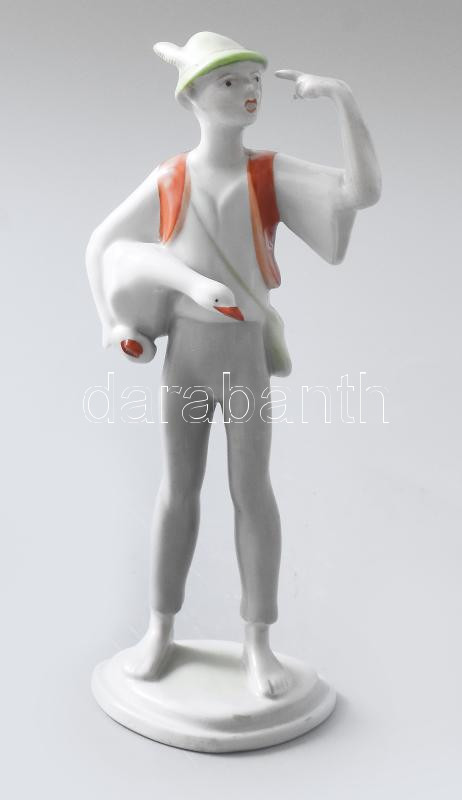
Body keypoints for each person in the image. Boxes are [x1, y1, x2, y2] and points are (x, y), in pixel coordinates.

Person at [86, 31, 381, 697]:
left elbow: (359, 193)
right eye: (230, 81)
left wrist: (343, 100)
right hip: (186, 355)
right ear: (192, 95)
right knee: (177, 491)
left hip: (244, 355)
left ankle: (258, 641)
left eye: (253, 80)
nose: (249, 92)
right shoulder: (171, 178)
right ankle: (160, 628)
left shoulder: (266, 174)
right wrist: (112, 321)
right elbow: (102, 245)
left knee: (252, 493)